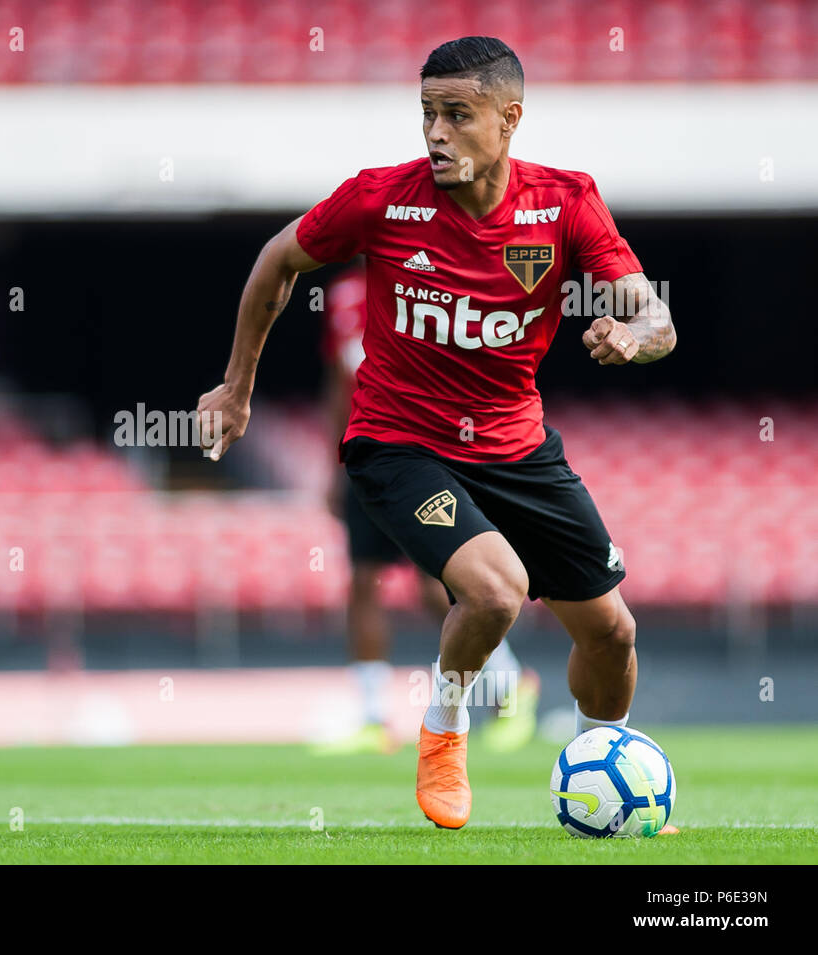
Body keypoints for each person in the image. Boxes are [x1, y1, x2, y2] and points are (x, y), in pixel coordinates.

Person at [198, 36, 675, 829]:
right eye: (427, 113)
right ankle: (445, 725)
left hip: (518, 446)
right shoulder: (382, 199)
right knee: (495, 591)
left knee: (614, 634)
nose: (436, 132)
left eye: (458, 115)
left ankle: (609, 760)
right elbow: (275, 262)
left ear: (509, 119)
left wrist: (636, 332)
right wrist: (237, 386)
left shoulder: (565, 202)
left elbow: (651, 311)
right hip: (399, 442)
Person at [318, 262, 538, 756]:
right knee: (363, 580)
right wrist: (334, 461)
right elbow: (338, 381)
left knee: (436, 585)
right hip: (367, 449)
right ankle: (374, 717)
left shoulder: (432, 279)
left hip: (426, 451)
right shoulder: (344, 295)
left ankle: (508, 684)